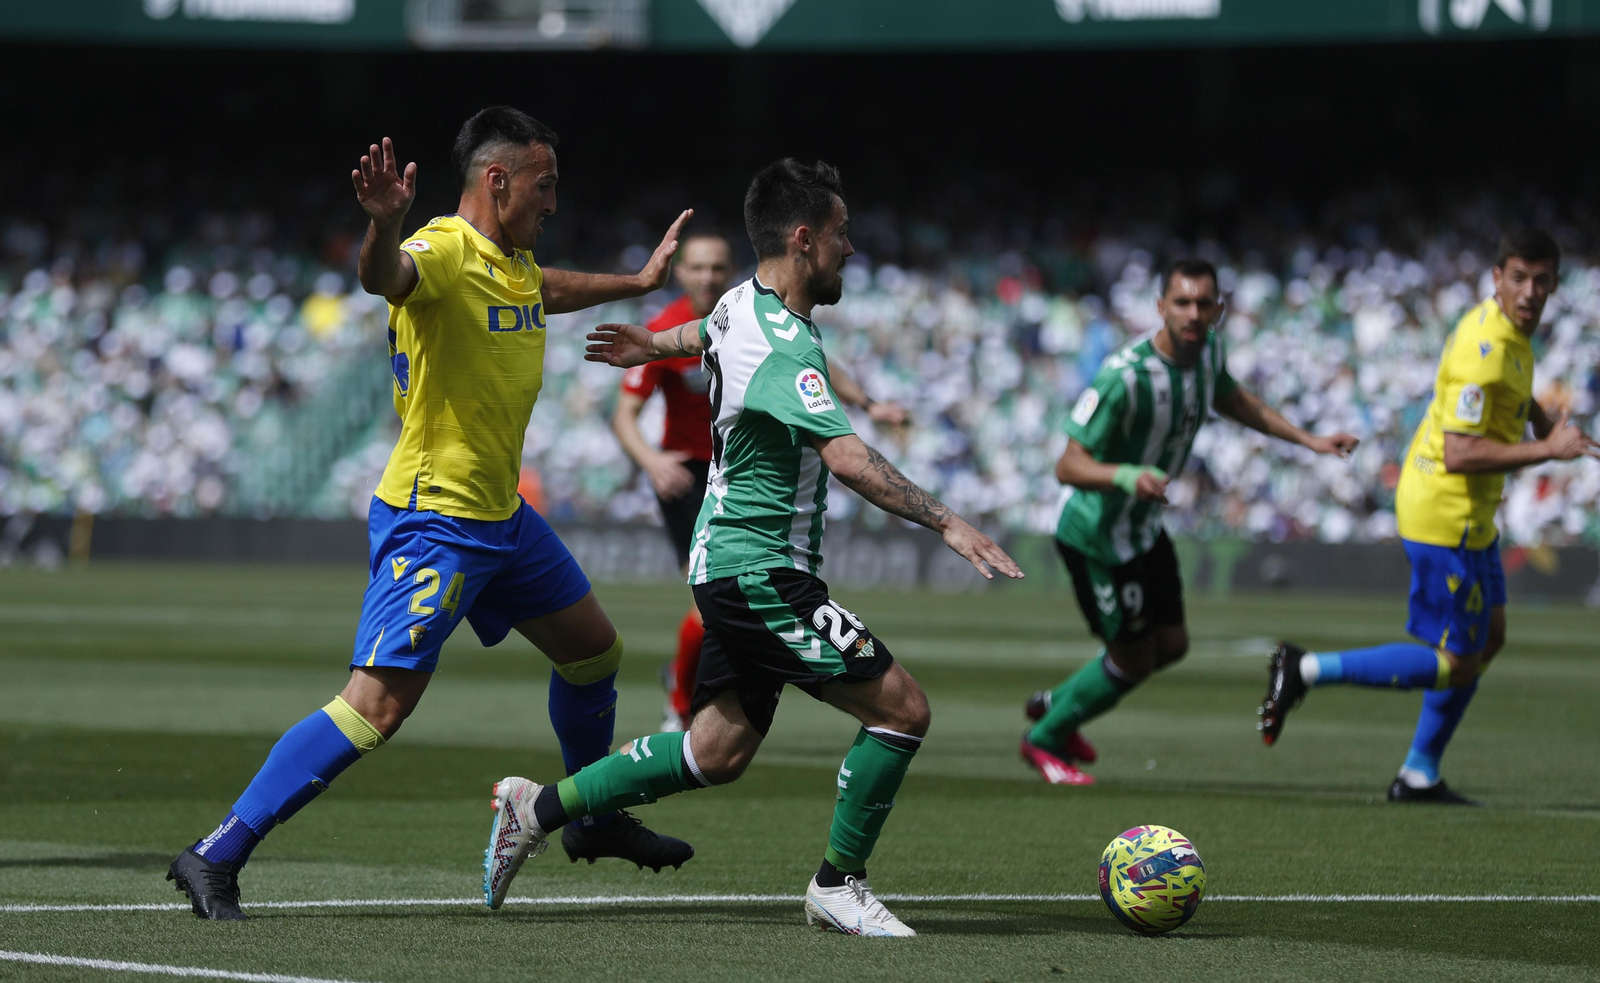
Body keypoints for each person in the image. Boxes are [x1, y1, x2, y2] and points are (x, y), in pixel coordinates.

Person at [165, 107, 696, 921]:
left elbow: (545, 288)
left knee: (594, 651)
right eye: (545, 184)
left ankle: (589, 815)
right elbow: (388, 277)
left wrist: (639, 284)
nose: (554, 201)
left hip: (502, 518)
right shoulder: (443, 247)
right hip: (437, 521)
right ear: (498, 179)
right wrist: (382, 228)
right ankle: (217, 851)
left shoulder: (512, 262)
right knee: (374, 707)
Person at [484, 158, 1023, 937]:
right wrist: (947, 522)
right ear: (803, 240)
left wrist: (651, 343)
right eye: (841, 234)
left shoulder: (744, 303)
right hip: (757, 570)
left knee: (715, 750)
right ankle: (839, 884)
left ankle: (533, 808)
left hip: (735, 564)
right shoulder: (784, 348)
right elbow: (844, 455)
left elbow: (704, 330)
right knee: (902, 709)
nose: (850, 248)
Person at [1258, 230, 1597, 803]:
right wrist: (1548, 449)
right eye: (1519, 278)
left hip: (1473, 514)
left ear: (1554, 284)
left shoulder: (1512, 333)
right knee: (1458, 662)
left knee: (1491, 637)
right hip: (1445, 514)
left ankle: (1420, 773)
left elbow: (1511, 389)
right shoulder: (1482, 349)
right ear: (1497, 278)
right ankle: (1305, 668)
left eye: (1542, 280)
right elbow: (1462, 451)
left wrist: (1539, 418)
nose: (1530, 291)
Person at [1020, 259, 1360, 785]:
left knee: (1172, 645)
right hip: (1099, 537)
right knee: (1133, 657)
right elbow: (1068, 464)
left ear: (1219, 309)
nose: (1194, 313)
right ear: (1161, 307)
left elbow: (1233, 398)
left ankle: (1057, 705)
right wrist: (1128, 475)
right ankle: (1043, 740)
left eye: (1204, 303)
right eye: (1182, 302)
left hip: (1143, 529)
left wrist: (1307, 439)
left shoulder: (1208, 354)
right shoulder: (1125, 375)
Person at [610, 232, 907, 731]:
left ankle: (689, 694)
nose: (708, 277)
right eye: (698, 268)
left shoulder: (747, 313)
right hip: (689, 474)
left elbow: (817, 365)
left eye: (717, 268)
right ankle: (679, 703)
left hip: (747, 473)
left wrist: (870, 403)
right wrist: (652, 462)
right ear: (681, 272)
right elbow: (624, 415)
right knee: (704, 604)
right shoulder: (669, 327)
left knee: (713, 612)